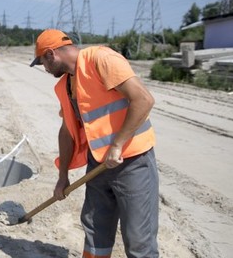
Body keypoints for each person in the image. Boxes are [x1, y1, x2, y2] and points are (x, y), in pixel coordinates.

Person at [30, 29, 158, 257]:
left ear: (51, 54)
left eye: (43, 63)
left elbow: (143, 99)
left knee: (138, 240)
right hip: (98, 165)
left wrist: (117, 145)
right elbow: (67, 132)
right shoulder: (65, 86)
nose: (46, 69)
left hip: (132, 163)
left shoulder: (101, 59)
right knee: (95, 230)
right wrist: (62, 178)